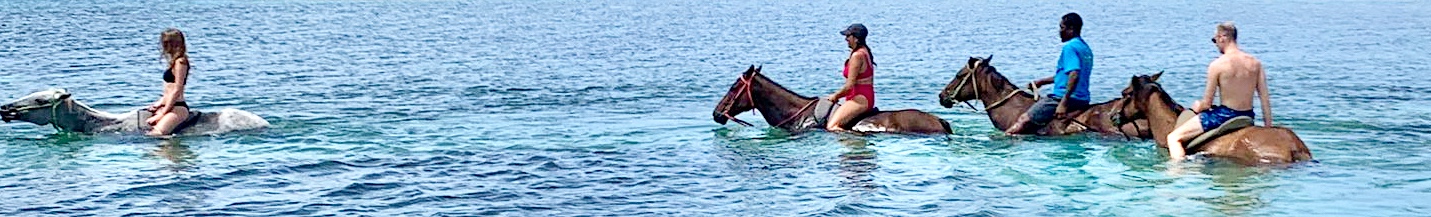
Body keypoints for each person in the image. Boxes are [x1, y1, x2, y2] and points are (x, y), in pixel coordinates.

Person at [1165, 22, 1273, 160]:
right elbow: (1265, 99)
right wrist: (1268, 127)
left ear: (1222, 37)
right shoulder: (1255, 63)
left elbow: (1207, 104)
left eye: (1214, 40)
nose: (1215, 44)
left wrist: (1197, 106)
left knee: (1174, 138)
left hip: (1224, 116)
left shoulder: (1217, 65)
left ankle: (1178, 172)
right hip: (1247, 116)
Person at [1005, 13, 1094, 135]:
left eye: (1062, 28)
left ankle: (1002, 144)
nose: (1059, 32)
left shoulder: (1070, 47)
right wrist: (1042, 82)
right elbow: (1067, 75)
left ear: (1071, 29)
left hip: (1062, 98)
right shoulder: (1085, 48)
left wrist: (1063, 102)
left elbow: (1074, 75)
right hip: (1083, 99)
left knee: (1023, 120)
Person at [826, 23, 877, 132]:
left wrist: (835, 96)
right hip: (864, 96)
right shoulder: (864, 51)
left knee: (832, 127)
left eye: (848, 36)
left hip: (860, 98)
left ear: (856, 39)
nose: (846, 39)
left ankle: (853, 141)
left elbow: (849, 86)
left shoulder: (857, 56)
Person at [145, 28, 192, 136]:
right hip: (168, 105)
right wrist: (159, 103)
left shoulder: (181, 62)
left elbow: (177, 89)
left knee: (157, 134)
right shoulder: (173, 62)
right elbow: (168, 90)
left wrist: (163, 113)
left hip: (177, 107)